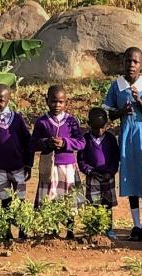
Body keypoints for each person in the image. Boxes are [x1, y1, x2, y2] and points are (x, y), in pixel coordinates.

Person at [104, 48, 142, 239]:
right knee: (130, 177)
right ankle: (136, 225)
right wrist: (121, 111)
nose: (131, 65)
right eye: (128, 61)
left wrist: (140, 102)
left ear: (141, 65)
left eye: (135, 62)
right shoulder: (117, 86)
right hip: (127, 136)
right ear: (123, 63)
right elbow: (109, 114)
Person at [33, 85, 86, 214]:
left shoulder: (71, 121)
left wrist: (64, 143)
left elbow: (81, 143)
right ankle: (52, 227)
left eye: (61, 102)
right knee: (50, 195)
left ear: (65, 103)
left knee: (69, 197)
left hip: (67, 165)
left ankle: (69, 229)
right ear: (47, 101)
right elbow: (33, 144)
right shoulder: (42, 121)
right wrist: (46, 143)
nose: (57, 105)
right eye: (53, 101)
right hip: (49, 165)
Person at [0, 84, 35, 217]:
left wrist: (28, 164)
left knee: (20, 200)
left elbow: (27, 141)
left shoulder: (17, 119)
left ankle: (22, 230)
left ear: (8, 100)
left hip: (18, 167)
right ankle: (6, 231)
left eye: (1, 100)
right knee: (5, 201)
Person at [81, 108, 121, 238]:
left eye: (102, 128)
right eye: (96, 128)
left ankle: (108, 228)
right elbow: (81, 160)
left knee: (107, 204)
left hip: (108, 176)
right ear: (88, 124)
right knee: (93, 204)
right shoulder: (85, 139)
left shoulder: (110, 138)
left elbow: (116, 157)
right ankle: (94, 228)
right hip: (93, 177)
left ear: (107, 125)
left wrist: (110, 172)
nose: (99, 131)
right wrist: (90, 171)